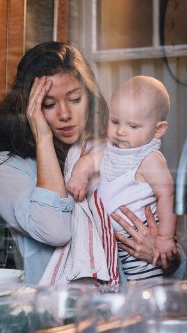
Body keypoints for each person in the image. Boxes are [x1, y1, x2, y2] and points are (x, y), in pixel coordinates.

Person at [0, 42, 182, 284]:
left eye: (75, 99)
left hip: (124, 307)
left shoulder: (116, 153)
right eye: (48, 104)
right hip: (57, 314)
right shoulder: (7, 167)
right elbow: (55, 230)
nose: (65, 114)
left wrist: (163, 255)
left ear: (89, 99)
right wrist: (43, 137)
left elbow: (175, 263)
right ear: (29, 108)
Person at [67, 75, 177, 281]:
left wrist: (164, 238)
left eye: (133, 126)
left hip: (141, 243)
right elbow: (89, 161)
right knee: (121, 292)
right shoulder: (111, 150)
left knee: (145, 290)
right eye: (115, 121)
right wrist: (79, 176)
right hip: (114, 244)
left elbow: (167, 196)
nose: (120, 131)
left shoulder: (149, 158)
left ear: (158, 129)